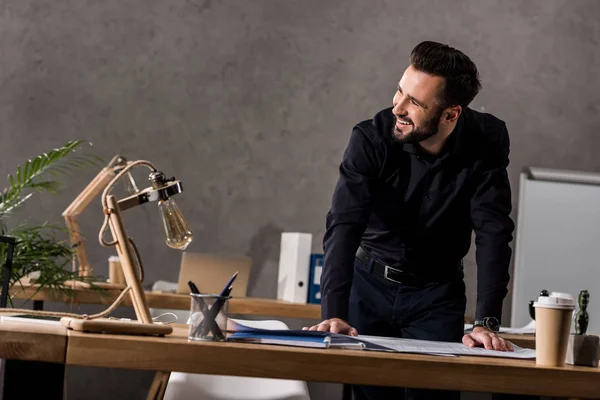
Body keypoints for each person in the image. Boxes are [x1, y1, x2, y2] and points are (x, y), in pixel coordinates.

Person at [305, 41, 516, 400]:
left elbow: (494, 231)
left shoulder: (487, 139)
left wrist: (486, 322)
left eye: (414, 103)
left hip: (437, 294)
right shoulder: (370, 139)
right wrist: (335, 313)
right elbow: (344, 225)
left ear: (451, 114)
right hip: (368, 286)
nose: (397, 107)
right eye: (400, 91)